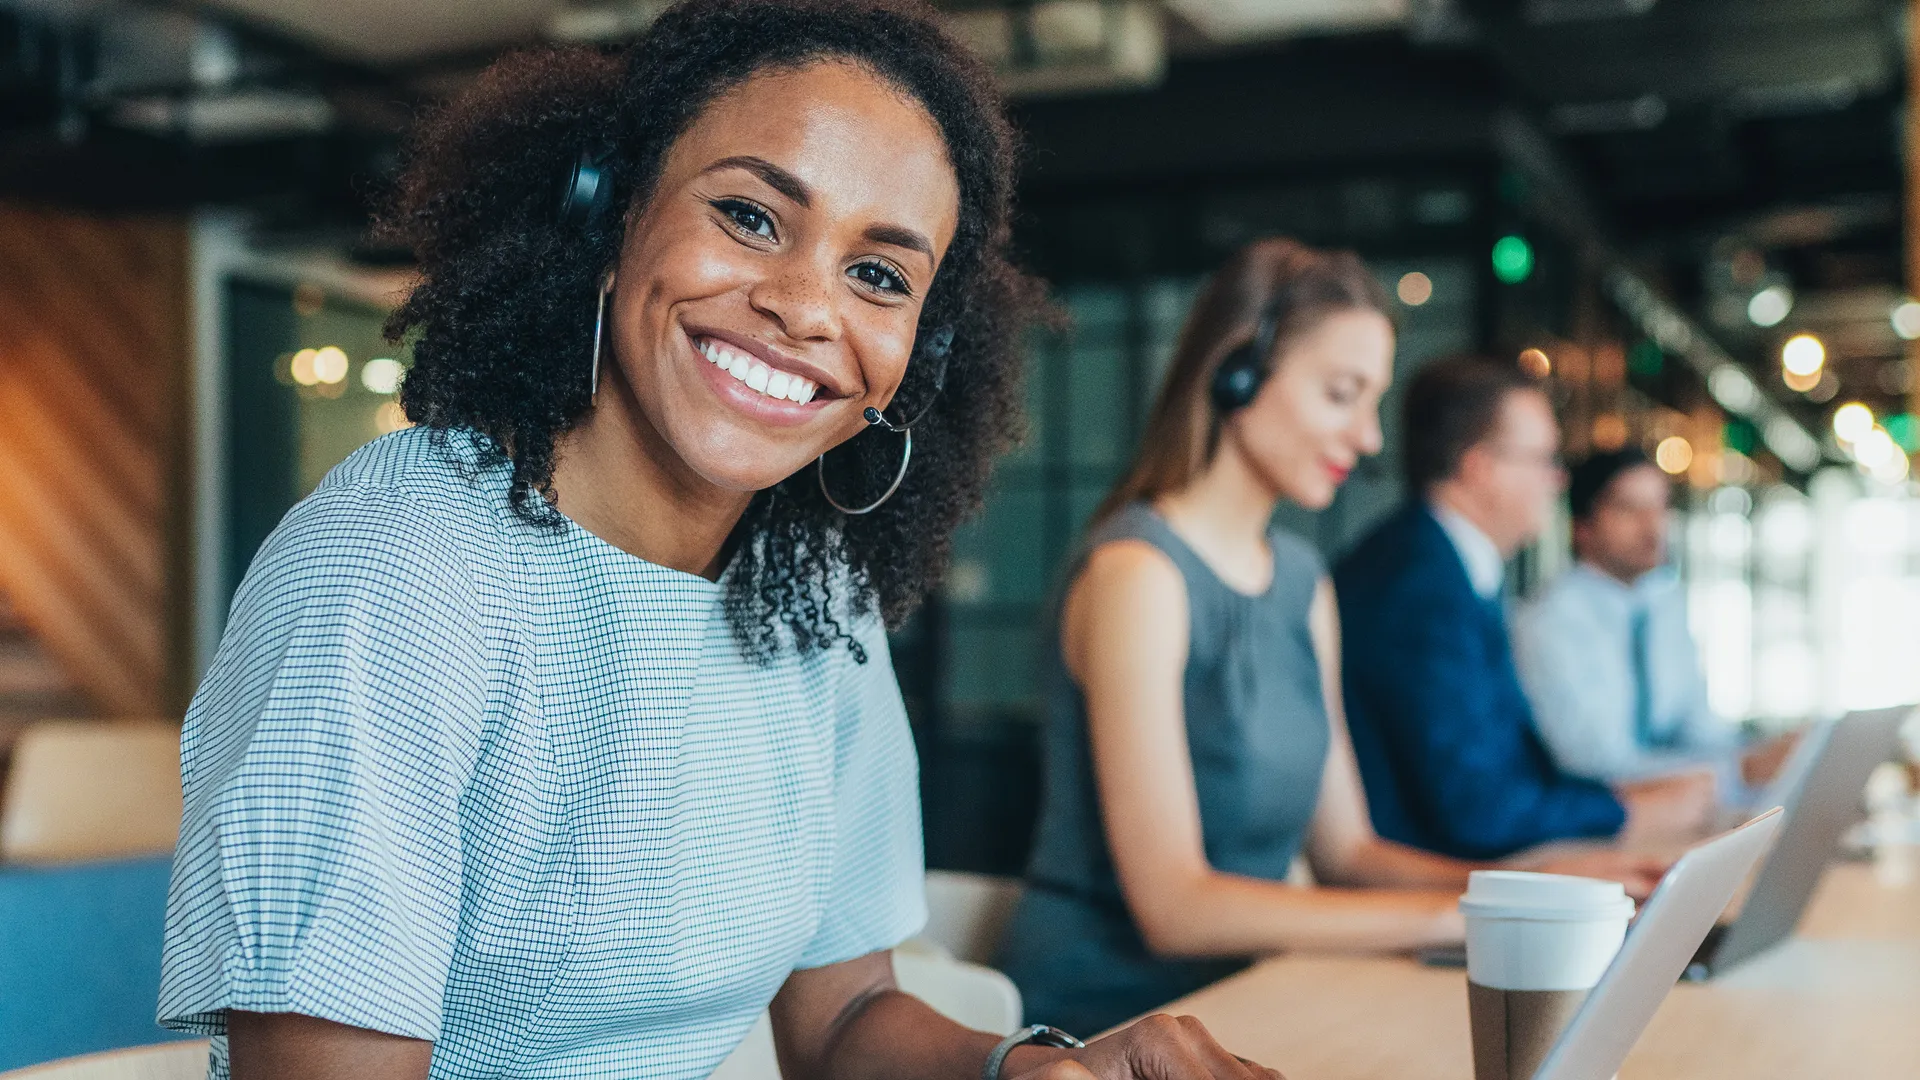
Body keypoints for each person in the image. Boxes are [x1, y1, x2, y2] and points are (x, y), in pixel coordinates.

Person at [155, 4, 1278, 1078]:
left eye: (878, 275)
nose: (805, 306)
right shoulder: (393, 573)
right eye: (750, 215)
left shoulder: (815, 598)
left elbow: (845, 1021)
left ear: (914, 363)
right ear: (609, 219)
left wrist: (1028, 1065)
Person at [996, 241, 1667, 1037]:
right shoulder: (1137, 574)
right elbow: (1176, 909)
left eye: (1372, 401)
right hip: (1111, 1023)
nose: (1369, 437)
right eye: (1342, 394)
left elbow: (1349, 852)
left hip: (1257, 996)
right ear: (1238, 372)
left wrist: (1529, 886)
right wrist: (1464, 915)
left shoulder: (1303, 582)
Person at [1334, 357, 1716, 862]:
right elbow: (1478, 810)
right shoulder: (1418, 586)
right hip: (1430, 899)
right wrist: (1626, 813)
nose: (1557, 481)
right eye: (1542, 459)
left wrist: (1619, 804)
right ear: (1480, 468)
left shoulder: (1449, 565)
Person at [1514, 450, 1797, 796]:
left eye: (1659, 506)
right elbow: (1597, 767)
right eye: (1629, 509)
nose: (1653, 526)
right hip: (1592, 826)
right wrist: (1738, 770)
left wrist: (1768, 754)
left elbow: (1700, 729)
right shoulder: (1549, 622)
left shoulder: (1663, 603)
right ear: (1582, 527)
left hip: (1673, 812)